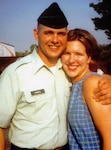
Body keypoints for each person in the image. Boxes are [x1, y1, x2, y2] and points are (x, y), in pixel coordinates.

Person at [0, 2, 71, 150]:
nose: (55, 40)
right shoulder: (15, 73)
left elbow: (94, 79)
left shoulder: (70, 70)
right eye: (48, 33)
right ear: (36, 34)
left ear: (67, 36)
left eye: (61, 34)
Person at [61, 28, 111, 150]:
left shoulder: (91, 83)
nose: (72, 60)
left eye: (79, 54)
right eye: (67, 53)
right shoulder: (74, 85)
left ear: (89, 58)